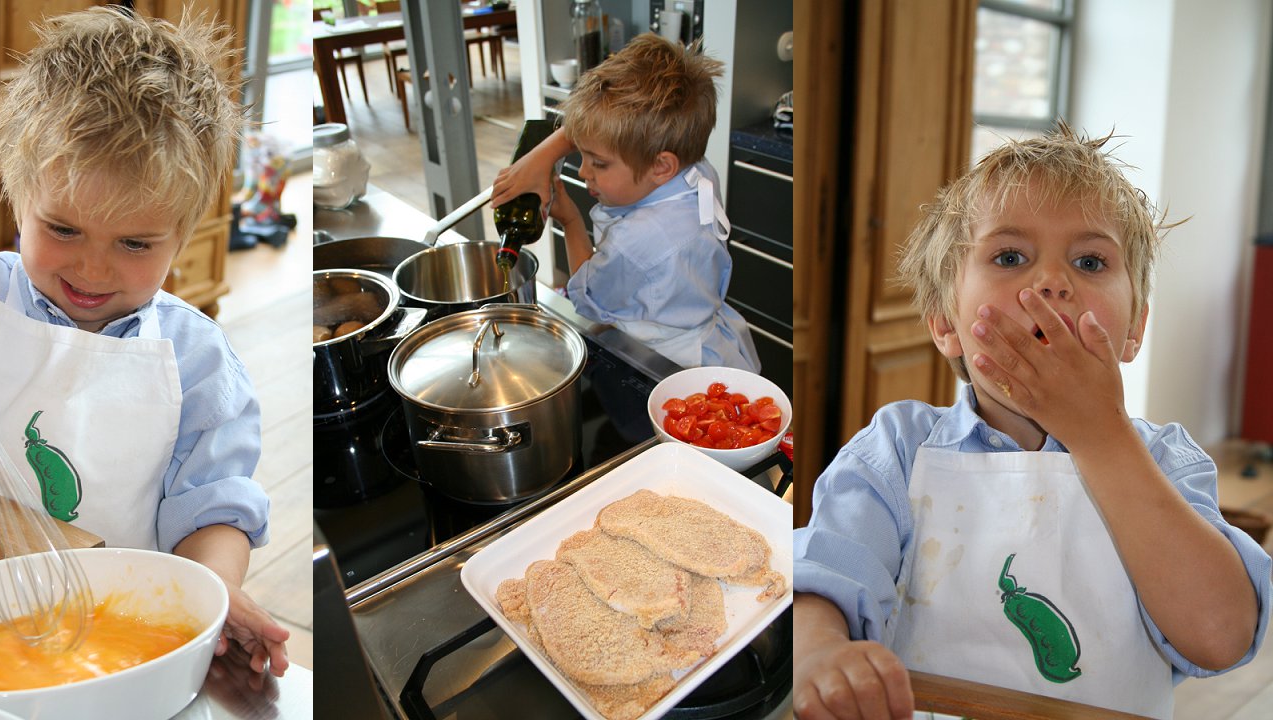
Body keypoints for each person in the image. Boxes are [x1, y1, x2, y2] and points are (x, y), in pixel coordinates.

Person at [0, 7, 289, 677]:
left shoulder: (197, 359)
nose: (93, 269)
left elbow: (213, 511)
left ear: (182, 238)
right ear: (16, 201)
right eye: (64, 229)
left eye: (134, 243)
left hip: (113, 634)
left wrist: (213, 590)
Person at [790, 125, 1271, 719]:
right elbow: (827, 571)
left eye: (1090, 261)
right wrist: (815, 651)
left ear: (1134, 328)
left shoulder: (1167, 463)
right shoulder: (897, 450)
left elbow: (1221, 636)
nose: (1051, 282)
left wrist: (1101, 436)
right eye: (1010, 256)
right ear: (945, 321)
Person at [492, 34, 759, 372]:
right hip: (712, 338)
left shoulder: (636, 240)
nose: (584, 171)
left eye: (598, 163)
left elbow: (587, 299)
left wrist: (571, 221)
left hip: (664, 364)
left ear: (661, 166)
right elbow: (605, 130)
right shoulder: (696, 170)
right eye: (582, 154)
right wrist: (543, 155)